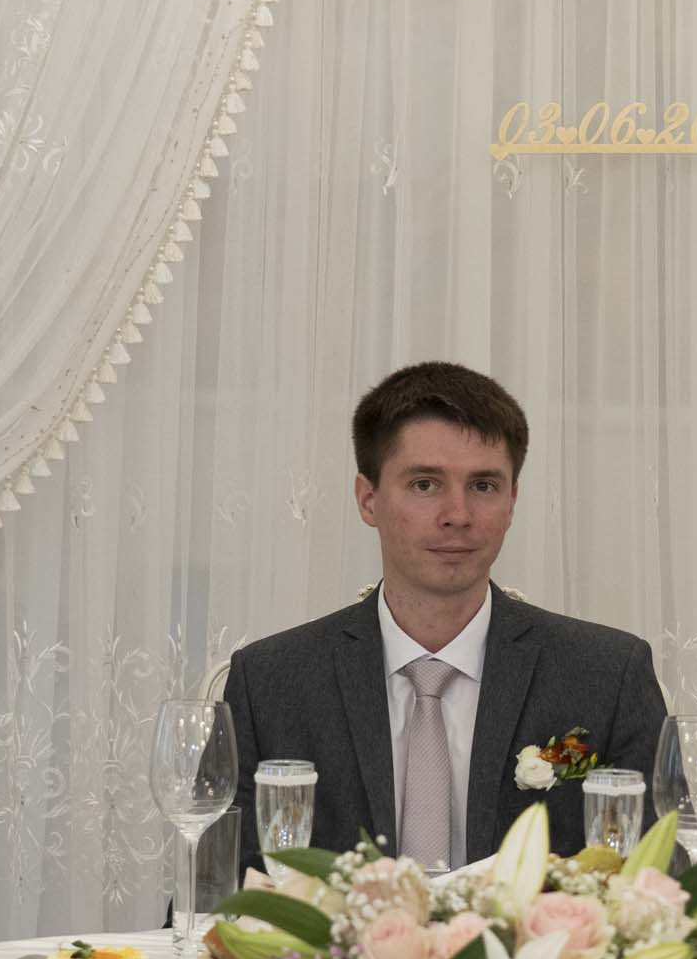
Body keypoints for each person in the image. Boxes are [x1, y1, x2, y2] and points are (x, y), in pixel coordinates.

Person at [218, 363, 669, 877]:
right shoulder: (271, 682)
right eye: (425, 484)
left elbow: (664, 886)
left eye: (484, 485)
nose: (458, 514)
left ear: (512, 501)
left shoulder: (607, 675)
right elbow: (215, 895)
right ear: (368, 499)